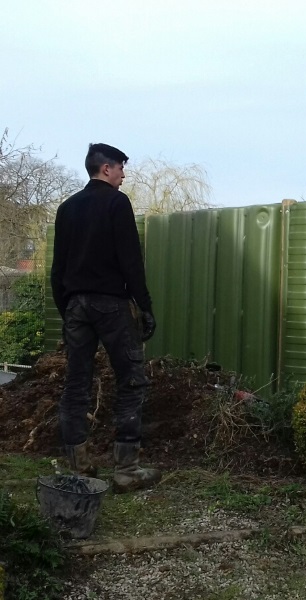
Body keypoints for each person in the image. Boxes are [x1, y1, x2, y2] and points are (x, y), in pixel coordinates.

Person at [51, 143, 161, 493]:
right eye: (121, 169)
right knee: (131, 380)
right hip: (111, 305)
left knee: (76, 384)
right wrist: (144, 305)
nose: (124, 175)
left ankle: (79, 468)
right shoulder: (117, 203)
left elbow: (58, 268)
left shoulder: (67, 208)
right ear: (106, 169)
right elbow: (131, 260)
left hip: (76, 306)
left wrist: (66, 309)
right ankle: (126, 468)